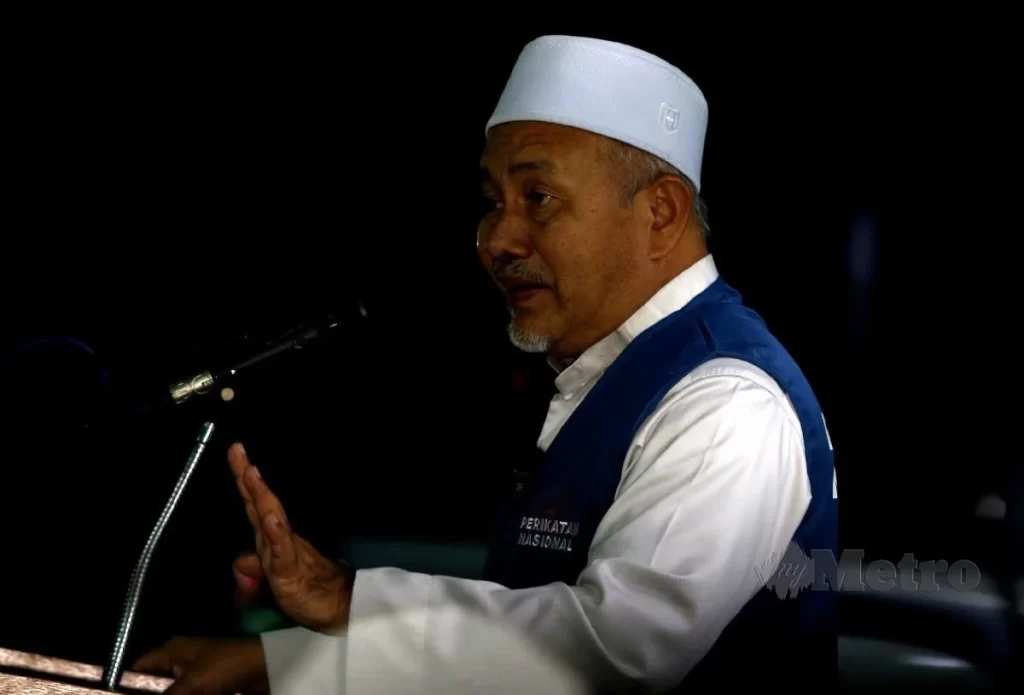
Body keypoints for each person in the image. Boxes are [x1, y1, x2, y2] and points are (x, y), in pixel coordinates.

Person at [134, 35, 838, 693]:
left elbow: (616, 651)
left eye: (539, 198)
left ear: (660, 212)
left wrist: (350, 603)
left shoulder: (725, 400)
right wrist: (280, 665)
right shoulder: (617, 376)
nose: (497, 239)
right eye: (493, 202)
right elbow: (525, 631)